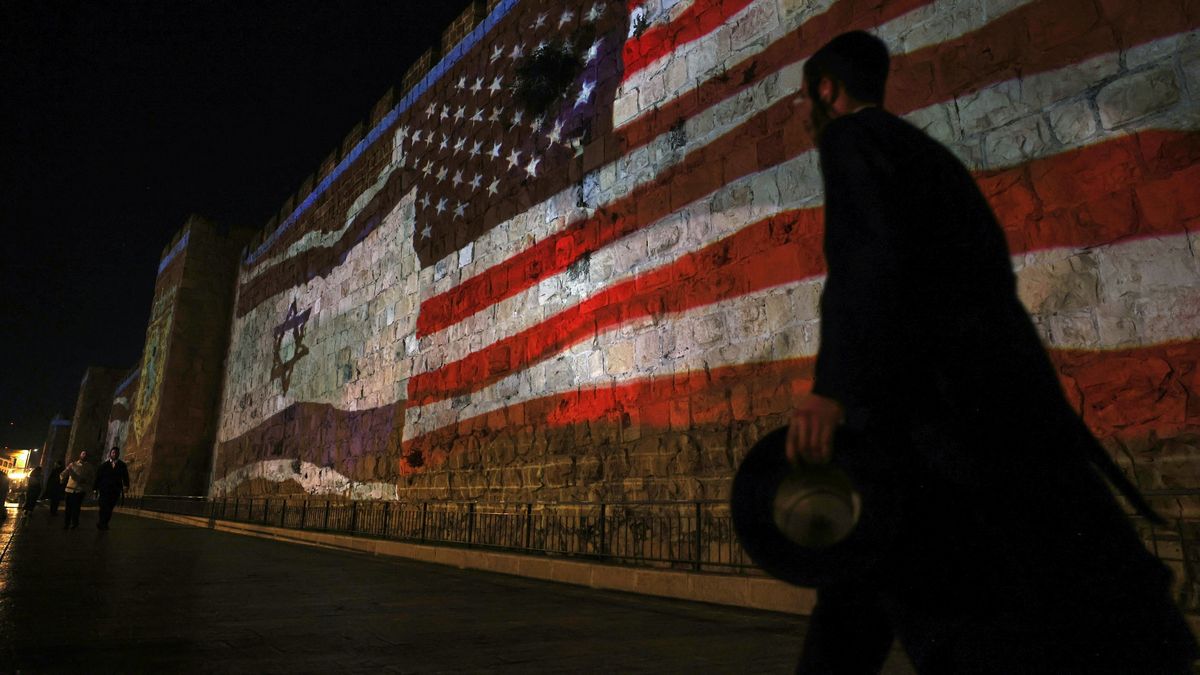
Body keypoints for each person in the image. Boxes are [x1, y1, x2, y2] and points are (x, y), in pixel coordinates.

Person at [784, 31, 1198, 674]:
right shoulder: (928, 155)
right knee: (870, 581)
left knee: (927, 590)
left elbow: (866, 262)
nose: (798, 111)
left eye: (802, 96)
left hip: (930, 416)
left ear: (827, 90)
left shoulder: (851, 140)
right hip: (992, 399)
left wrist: (831, 387)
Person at [94, 446, 130, 530]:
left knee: (110, 507)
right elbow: (98, 477)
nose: (115, 454)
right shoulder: (104, 465)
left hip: (115, 490)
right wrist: (95, 488)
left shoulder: (122, 465)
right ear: (110, 453)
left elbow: (125, 477)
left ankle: (105, 522)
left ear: (118, 454)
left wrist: (126, 486)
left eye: (116, 453)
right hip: (104, 489)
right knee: (103, 506)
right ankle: (101, 522)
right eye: (113, 452)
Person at [60, 451, 95, 530]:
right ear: (80, 455)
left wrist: (86, 481)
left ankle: (74, 523)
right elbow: (64, 473)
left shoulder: (89, 467)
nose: (84, 455)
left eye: (86, 454)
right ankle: (66, 523)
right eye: (83, 454)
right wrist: (61, 479)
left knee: (76, 508)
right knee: (68, 508)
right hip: (70, 489)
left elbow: (92, 478)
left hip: (80, 490)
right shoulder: (73, 464)